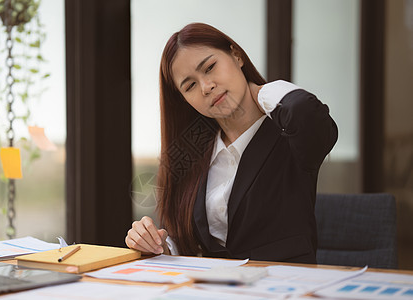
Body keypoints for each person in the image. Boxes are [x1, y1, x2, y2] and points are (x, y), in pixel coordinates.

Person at [125, 23, 338, 264]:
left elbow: (308, 114)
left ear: (236, 55)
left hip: (286, 288)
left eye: (210, 67)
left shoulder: (289, 132)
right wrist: (159, 245)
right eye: (190, 85)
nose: (206, 87)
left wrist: (260, 92)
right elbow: (185, 240)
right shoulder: (193, 152)